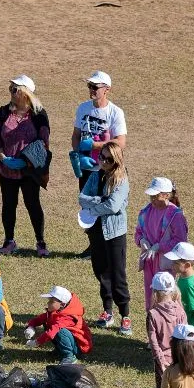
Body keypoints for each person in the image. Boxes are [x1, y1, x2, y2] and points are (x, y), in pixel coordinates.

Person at [0, 75, 51, 257]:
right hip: (6, 170)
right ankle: (9, 241)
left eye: (14, 89)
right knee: (8, 204)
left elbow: (43, 142)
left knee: (33, 204)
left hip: (29, 170)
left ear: (25, 93)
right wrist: (3, 158)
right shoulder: (3, 112)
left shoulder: (39, 115)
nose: (11, 92)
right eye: (10, 88)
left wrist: (25, 161)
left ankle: (40, 241)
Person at [71, 71, 127, 258]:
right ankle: (93, 245)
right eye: (90, 86)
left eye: (95, 87)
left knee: (106, 205)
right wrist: (79, 153)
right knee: (87, 206)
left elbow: (120, 142)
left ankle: (106, 244)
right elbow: (76, 135)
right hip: (87, 167)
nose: (91, 90)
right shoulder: (83, 108)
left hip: (107, 170)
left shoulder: (115, 112)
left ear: (107, 89)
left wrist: (94, 145)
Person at [78, 142, 132, 335]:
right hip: (96, 230)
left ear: (115, 161)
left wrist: (93, 207)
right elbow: (82, 197)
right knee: (101, 271)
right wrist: (99, 201)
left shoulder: (121, 179)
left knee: (118, 274)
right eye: (101, 156)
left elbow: (114, 206)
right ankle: (107, 311)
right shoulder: (96, 174)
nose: (102, 161)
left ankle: (125, 316)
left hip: (115, 232)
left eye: (107, 159)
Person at [135, 176, 188, 312]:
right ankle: (152, 323)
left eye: (156, 195)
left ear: (166, 195)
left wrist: (159, 247)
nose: (152, 199)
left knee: (165, 295)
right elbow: (138, 232)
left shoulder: (175, 215)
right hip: (149, 261)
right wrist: (142, 241)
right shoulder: (146, 212)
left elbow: (180, 241)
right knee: (150, 294)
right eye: (151, 196)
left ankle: (167, 324)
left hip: (166, 262)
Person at [146, 272, 187, 388]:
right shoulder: (180, 310)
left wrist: (160, 360)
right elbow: (186, 335)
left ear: (155, 292)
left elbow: (153, 341)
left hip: (162, 359)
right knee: (177, 385)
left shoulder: (152, 314)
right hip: (180, 356)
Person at [25, 286, 94, 365]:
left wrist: (37, 342)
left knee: (59, 331)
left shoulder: (68, 317)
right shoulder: (54, 312)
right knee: (51, 326)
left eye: (52, 301)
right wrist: (31, 327)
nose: (48, 303)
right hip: (73, 343)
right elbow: (38, 319)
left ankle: (69, 356)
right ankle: (60, 351)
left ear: (62, 304)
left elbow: (50, 333)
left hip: (80, 348)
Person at [164, 242, 194, 347]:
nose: (172, 264)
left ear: (187, 265)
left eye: (175, 262)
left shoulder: (191, 285)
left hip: (191, 336)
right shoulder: (182, 277)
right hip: (182, 331)